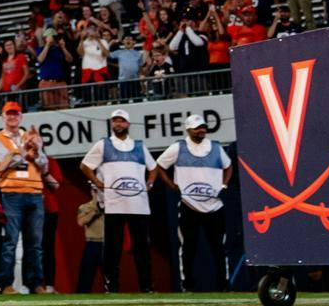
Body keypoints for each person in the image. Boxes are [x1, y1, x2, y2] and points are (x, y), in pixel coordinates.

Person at [154, 114, 232, 292]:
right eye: (197, 128)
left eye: (203, 127)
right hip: (190, 206)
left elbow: (229, 166)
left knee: (219, 248)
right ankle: (187, 285)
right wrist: (172, 185)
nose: (201, 130)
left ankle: (224, 285)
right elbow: (159, 165)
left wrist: (224, 184)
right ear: (188, 130)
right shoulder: (178, 147)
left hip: (214, 206)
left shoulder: (215, 147)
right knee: (188, 248)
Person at [81, 110, 154, 293]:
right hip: (114, 203)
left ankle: (146, 286)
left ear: (128, 124)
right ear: (111, 124)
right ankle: (111, 286)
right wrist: (98, 183)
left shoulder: (139, 146)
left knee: (142, 248)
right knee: (112, 248)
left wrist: (149, 182)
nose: (118, 124)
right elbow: (85, 166)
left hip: (138, 204)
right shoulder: (103, 145)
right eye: (115, 121)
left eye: (122, 121)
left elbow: (153, 168)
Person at [0, 101, 48, 294]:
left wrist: (37, 149)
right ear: (2, 117)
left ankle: (36, 283)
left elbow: (44, 165)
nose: (12, 117)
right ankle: (6, 283)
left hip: (34, 192)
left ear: (21, 117)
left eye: (16, 114)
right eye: (9, 114)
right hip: (12, 192)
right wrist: (26, 148)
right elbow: (7, 162)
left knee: (35, 244)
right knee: (10, 241)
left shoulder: (30, 136)